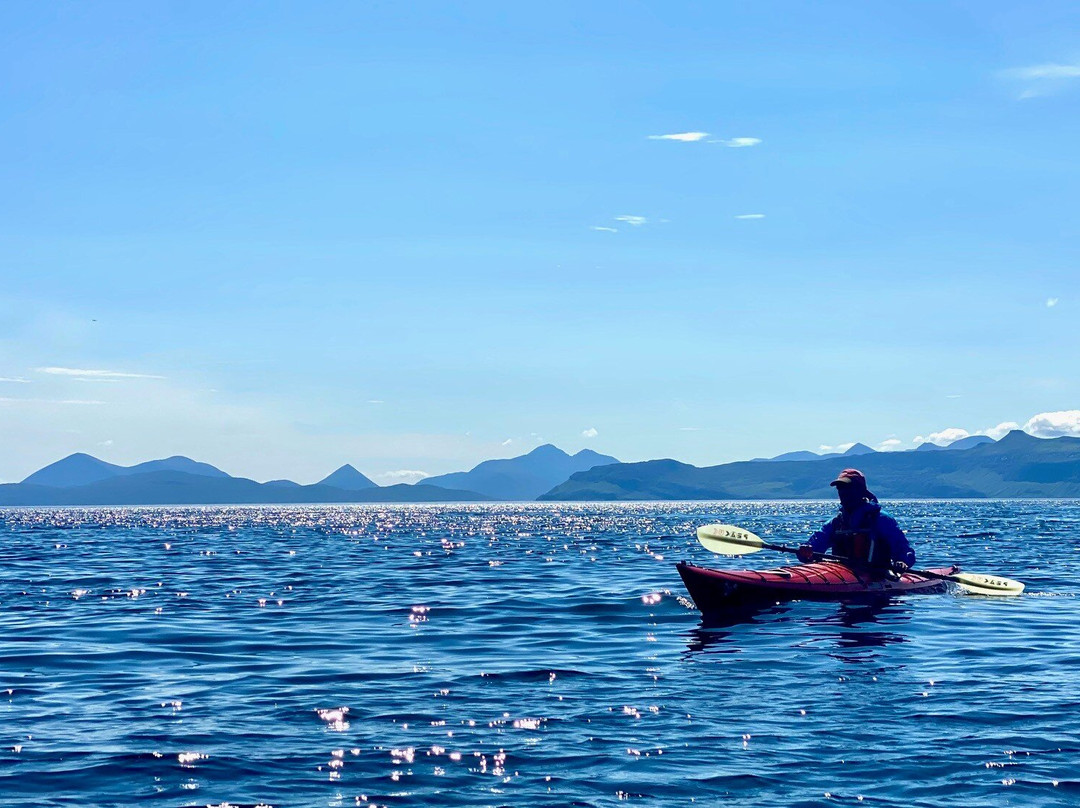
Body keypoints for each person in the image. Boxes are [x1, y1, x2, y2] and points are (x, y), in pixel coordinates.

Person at [796, 468, 915, 572]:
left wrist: (902, 561)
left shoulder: (881, 519)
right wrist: (806, 551)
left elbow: (902, 547)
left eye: (847, 488)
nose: (843, 492)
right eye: (840, 488)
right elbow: (815, 545)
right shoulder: (836, 523)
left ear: (860, 490)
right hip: (842, 574)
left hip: (877, 575)